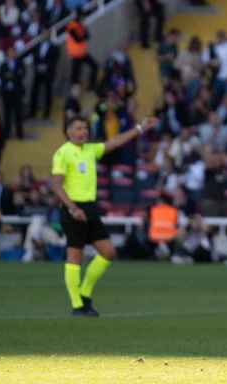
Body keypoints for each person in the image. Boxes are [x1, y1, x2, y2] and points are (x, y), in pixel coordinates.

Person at [51, 114, 158, 316]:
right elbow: (56, 185)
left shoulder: (90, 150)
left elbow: (115, 142)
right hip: (73, 209)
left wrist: (140, 128)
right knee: (75, 256)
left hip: (90, 208)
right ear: (68, 132)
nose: (83, 132)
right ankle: (77, 306)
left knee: (108, 252)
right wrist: (73, 208)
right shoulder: (62, 153)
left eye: (85, 128)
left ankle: (85, 293)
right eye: (78, 128)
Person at [65, 13, 98, 91]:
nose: (84, 20)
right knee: (74, 77)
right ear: (79, 17)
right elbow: (78, 39)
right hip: (75, 55)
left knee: (95, 66)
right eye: (82, 18)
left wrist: (83, 30)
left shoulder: (81, 26)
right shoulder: (71, 25)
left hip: (82, 54)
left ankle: (91, 86)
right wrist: (83, 32)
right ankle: (74, 95)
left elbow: (87, 36)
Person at [29, 34, 59, 120]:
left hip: (48, 73)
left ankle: (46, 113)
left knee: (48, 93)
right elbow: (34, 57)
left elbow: (54, 59)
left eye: (46, 34)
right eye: (43, 34)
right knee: (34, 92)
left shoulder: (54, 47)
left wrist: (46, 66)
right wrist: (37, 66)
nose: (44, 36)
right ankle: (32, 112)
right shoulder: (37, 46)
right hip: (38, 72)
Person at [0, 46, 25, 139]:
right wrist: (12, 75)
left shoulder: (20, 63)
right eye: (9, 52)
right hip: (6, 92)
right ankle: (7, 134)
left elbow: (21, 74)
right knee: (7, 114)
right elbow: (1, 76)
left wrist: (11, 75)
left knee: (18, 113)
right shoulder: (3, 64)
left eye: (13, 52)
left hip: (17, 92)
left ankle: (19, 133)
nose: (11, 54)